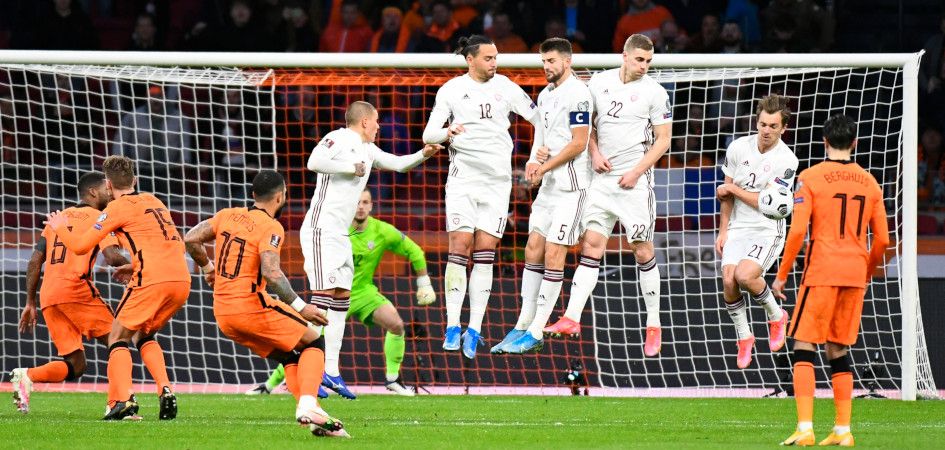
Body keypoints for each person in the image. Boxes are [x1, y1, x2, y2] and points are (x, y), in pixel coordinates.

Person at [184, 170, 348, 438]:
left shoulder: (227, 215)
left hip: (223, 314)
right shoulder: (271, 226)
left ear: (253, 195)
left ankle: (314, 416)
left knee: (289, 356)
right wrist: (301, 307)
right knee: (314, 341)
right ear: (280, 197)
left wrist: (208, 268)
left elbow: (190, 238)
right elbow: (271, 273)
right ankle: (309, 404)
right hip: (250, 306)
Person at [304, 101, 441, 398]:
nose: (379, 126)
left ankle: (331, 371)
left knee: (341, 298)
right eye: (376, 120)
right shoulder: (339, 138)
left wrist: (424, 154)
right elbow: (314, 162)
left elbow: (399, 164)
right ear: (365, 121)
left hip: (340, 233)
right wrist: (349, 167)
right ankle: (306, 369)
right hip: (321, 229)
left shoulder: (368, 149)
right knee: (322, 299)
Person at [546, 34, 671, 357]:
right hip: (601, 180)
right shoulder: (598, 83)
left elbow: (663, 140)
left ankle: (653, 324)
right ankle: (572, 318)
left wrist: (637, 172)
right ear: (624, 56)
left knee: (642, 249)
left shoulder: (655, 92)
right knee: (591, 245)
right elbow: (584, 128)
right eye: (639, 59)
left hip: (635, 184)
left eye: (649, 61)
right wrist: (594, 152)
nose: (644, 66)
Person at [247, 188, 435, 397]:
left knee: (397, 324)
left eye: (365, 202)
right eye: (357, 202)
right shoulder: (336, 230)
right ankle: (270, 385)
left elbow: (414, 250)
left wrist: (424, 282)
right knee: (309, 339)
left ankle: (393, 379)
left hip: (363, 293)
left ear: (371, 206)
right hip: (334, 293)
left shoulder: (382, 231)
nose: (361, 207)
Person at [422, 34, 542, 359]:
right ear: (470, 59)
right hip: (463, 180)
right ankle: (452, 325)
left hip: (497, 184)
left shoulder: (506, 87)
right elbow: (428, 134)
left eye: (496, 57)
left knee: (486, 253)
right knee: (460, 247)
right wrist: (447, 132)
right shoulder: (451, 90)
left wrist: (534, 158)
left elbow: (538, 118)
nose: (494, 63)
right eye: (488, 58)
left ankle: (474, 328)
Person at [45, 155, 191, 420]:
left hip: (151, 279)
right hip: (181, 279)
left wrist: (60, 227)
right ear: (135, 180)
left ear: (109, 186)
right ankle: (165, 389)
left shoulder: (115, 208)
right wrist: (134, 265)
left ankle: (123, 401)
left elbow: (80, 246)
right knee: (144, 334)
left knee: (117, 337)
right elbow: (173, 245)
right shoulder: (155, 201)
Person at [774, 114, 889, 447]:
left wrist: (782, 275)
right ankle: (843, 430)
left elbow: (798, 231)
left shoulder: (810, 178)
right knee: (838, 347)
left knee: (804, 343)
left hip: (822, 270)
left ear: (824, 141)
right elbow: (883, 239)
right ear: (854, 143)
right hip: (854, 274)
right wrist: (866, 270)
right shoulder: (870, 182)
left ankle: (805, 428)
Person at [492, 38, 592, 354]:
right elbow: (542, 135)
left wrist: (545, 165)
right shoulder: (546, 95)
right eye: (543, 61)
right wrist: (533, 162)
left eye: (551, 61)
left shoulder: (579, 94)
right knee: (532, 247)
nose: (546, 67)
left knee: (553, 251)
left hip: (572, 188)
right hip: (549, 186)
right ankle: (523, 323)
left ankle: (536, 330)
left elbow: (579, 143)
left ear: (567, 61)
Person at [11, 172, 130, 414]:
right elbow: (111, 257)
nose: (110, 194)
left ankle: (27, 375)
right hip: (75, 289)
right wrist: (142, 266)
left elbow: (35, 261)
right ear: (93, 192)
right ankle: (119, 403)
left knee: (76, 365)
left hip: (49, 296)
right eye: (106, 190)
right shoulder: (99, 218)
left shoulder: (59, 218)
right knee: (118, 341)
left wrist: (30, 302)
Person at [714, 94, 797, 369]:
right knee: (729, 280)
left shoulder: (787, 160)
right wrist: (723, 231)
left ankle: (777, 316)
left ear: (783, 128)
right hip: (737, 226)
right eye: (763, 124)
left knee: (745, 275)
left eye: (773, 126)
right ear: (756, 122)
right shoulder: (738, 148)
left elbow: (765, 203)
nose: (766, 131)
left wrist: (733, 189)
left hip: (767, 228)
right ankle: (744, 336)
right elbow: (725, 195)